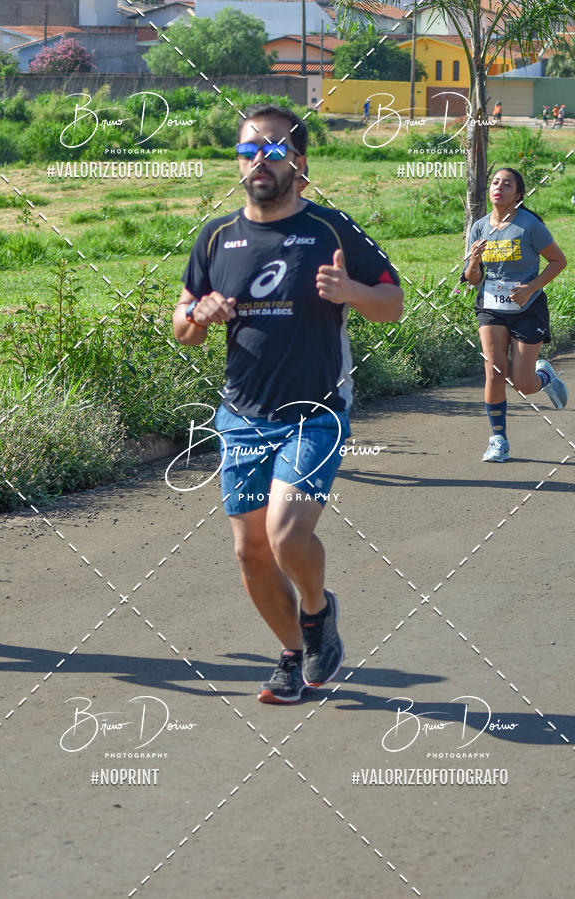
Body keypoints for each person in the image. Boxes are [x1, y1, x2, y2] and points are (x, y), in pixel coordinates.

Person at [172, 103, 403, 703]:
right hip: (242, 415)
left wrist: (351, 291)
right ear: (239, 162)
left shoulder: (330, 229)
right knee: (250, 553)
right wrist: (198, 314)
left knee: (284, 534)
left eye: (274, 150)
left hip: (316, 412)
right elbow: (183, 323)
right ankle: (294, 654)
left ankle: (317, 610)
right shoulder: (217, 237)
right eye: (250, 151)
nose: (260, 161)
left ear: (299, 163)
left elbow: (392, 301)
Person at [462, 167, 568, 462]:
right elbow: (472, 278)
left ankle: (544, 376)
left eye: (507, 184)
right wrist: (474, 261)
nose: (498, 187)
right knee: (494, 371)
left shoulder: (529, 225)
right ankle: (498, 439)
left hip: (527, 309)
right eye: (495, 182)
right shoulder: (480, 227)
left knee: (522, 383)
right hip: (491, 309)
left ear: (517, 195)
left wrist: (530, 287)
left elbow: (558, 261)